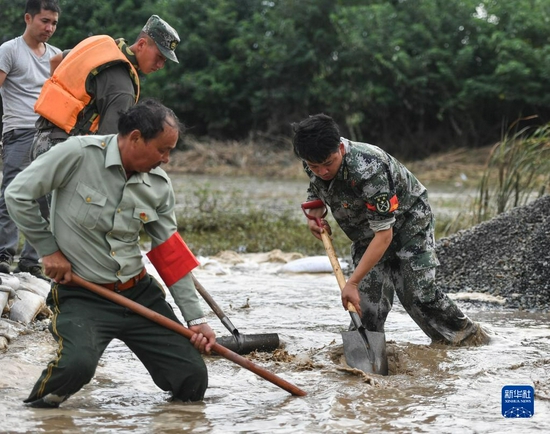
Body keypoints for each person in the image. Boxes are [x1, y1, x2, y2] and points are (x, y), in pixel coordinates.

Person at [5, 99, 216, 408]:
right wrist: (48, 250)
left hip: (138, 295)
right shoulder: (76, 154)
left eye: (171, 151)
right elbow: (17, 194)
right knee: (75, 368)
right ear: (134, 138)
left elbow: (170, 254)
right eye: (162, 150)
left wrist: (195, 319)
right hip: (83, 294)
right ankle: (40, 416)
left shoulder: (158, 185)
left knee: (192, 379)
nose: (167, 159)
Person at [292, 113, 490, 347]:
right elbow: (316, 190)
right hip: (366, 229)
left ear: (340, 149)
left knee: (418, 295)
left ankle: (471, 342)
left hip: (408, 224)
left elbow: (385, 235)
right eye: (315, 166)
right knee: (366, 304)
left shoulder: (369, 168)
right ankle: (364, 355)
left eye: (328, 163)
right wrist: (313, 214)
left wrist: (352, 282)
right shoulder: (312, 160)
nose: (323, 171)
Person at [31, 14, 180, 160]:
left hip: (40, 141)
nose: (160, 65)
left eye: (165, 61)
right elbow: (108, 144)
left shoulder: (99, 46)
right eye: (159, 57)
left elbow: (55, 60)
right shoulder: (124, 88)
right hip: (65, 152)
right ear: (141, 44)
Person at [0, 0, 61, 278]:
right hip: (20, 130)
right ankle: (4, 253)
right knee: (12, 193)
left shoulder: (57, 56)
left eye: (54, 23)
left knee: (46, 198)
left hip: (49, 132)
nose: (49, 28)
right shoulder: (9, 51)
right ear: (28, 18)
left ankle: (31, 260)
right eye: (44, 21)